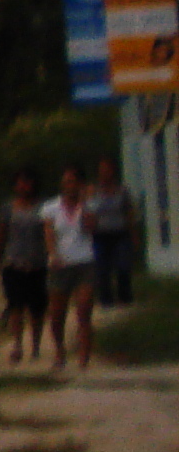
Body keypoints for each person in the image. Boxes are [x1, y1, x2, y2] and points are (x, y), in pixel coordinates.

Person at [0, 169, 50, 363]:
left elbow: (49, 235)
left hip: (38, 264)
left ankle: (35, 346)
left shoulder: (44, 207)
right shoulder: (8, 208)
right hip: (14, 263)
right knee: (15, 306)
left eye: (27, 182)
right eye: (20, 182)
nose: (24, 186)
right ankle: (17, 344)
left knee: (37, 308)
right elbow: (1, 237)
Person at [47, 165, 100, 370]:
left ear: (80, 184)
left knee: (84, 308)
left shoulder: (90, 205)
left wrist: (85, 202)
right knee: (57, 314)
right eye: (65, 182)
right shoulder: (51, 208)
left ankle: (84, 353)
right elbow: (49, 234)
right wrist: (53, 254)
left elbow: (90, 228)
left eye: (71, 181)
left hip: (85, 261)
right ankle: (60, 349)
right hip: (60, 264)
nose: (67, 186)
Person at [88, 157, 137, 308]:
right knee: (102, 268)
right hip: (100, 234)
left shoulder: (122, 191)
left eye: (107, 169)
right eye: (102, 169)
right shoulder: (93, 191)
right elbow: (89, 212)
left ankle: (125, 297)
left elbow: (128, 212)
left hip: (120, 232)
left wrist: (133, 233)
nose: (104, 173)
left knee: (123, 266)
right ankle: (106, 299)